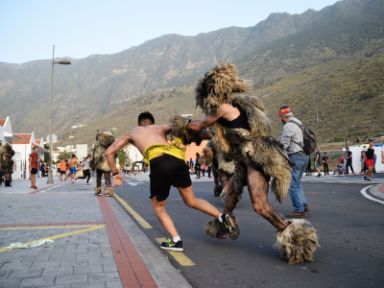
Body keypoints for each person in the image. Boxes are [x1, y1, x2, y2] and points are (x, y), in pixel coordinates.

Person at [187, 64, 318, 264]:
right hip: (244, 159)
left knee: (260, 206)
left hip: (256, 156)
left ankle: (297, 239)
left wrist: (177, 127)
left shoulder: (223, 107)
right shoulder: (229, 109)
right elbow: (208, 131)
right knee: (229, 196)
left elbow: (199, 125)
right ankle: (224, 225)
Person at [105, 111, 236, 252]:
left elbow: (109, 153)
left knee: (159, 207)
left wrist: (116, 173)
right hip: (178, 160)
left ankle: (176, 241)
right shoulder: (161, 127)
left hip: (159, 162)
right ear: (152, 122)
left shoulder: (132, 133)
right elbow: (185, 126)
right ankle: (223, 217)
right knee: (191, 200)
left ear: (139, 123)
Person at [278, 105, 309, 218]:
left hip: (296, 156)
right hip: (304, 155)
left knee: (292, 185)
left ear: (283, 117)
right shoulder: (297, 122)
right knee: (297, 182)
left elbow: (284, 145)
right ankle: (303, 204)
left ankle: (299, 209)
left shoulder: (288, 126)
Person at [91, 130, 115, 197]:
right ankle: (108, 192)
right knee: (107, 178)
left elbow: (94, 155)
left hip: (99, 163)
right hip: (107, 163)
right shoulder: (111, 146)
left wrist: (92, 164)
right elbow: (114, 154)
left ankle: (98, 191)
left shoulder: (97, 146)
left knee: (98, 178)